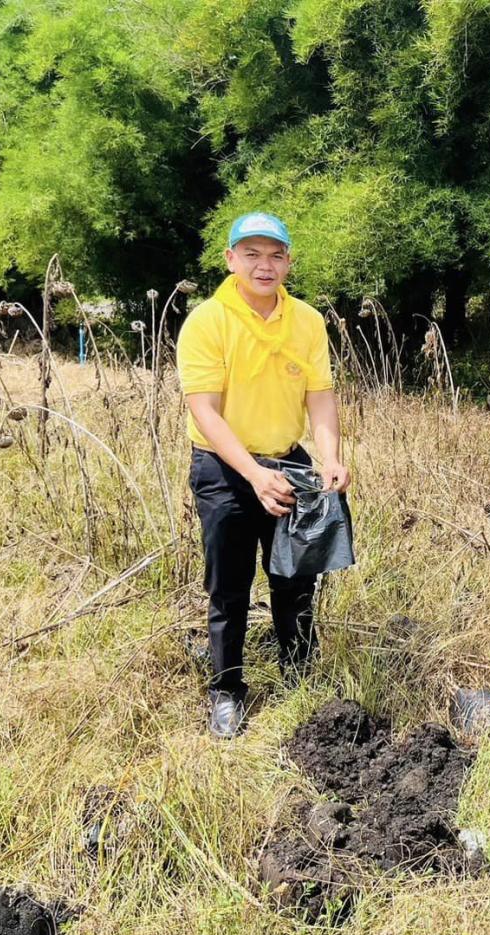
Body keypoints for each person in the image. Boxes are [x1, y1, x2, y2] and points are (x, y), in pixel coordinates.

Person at [177, 212, 350, 739]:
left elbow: (319, 398)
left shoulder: (308, 321)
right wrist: (253, 474)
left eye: (275, 255)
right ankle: (227, 691)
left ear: (289, 263)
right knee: (228, 586)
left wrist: (330, 456)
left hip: (289, 462)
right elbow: (204, 410)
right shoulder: (208, 321)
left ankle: (299, 677)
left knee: (296, 579)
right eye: (251, 254)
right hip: (226, 467)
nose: (264, 265)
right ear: (230, 260)